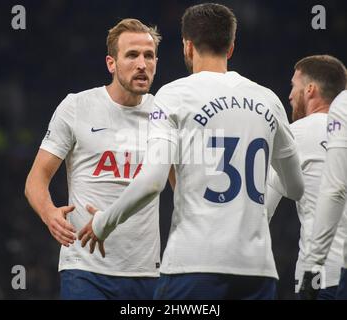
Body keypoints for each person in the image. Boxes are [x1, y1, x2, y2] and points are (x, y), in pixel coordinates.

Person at [79, 3, 304, 300]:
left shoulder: (174, 95)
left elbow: (152, 182)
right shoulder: (268, 100)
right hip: (258, 270)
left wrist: (103, 222)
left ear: (187, 46)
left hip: (194, 266)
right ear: (231, 46)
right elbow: (295, 187)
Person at [25, 18, 163, 299]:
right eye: (132, 55)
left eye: (149, 56)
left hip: (146, 273)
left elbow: (179, 186)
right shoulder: (77, 106)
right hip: (84, 270)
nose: (142, 64)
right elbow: (36, 178)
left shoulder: (165, 113)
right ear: (111, 63)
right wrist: (49, 212)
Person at [265, 55, 347, 300]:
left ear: (310, 89)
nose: (290, 96)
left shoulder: (294, 135)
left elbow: (262, 210)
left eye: (294, 86)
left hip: (321, 277)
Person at [300, 90, 347, 300]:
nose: (290, 95)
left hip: (328, 273)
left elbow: (335, 189)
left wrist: (313, 265)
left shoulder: (344, 104)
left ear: (310, 89)